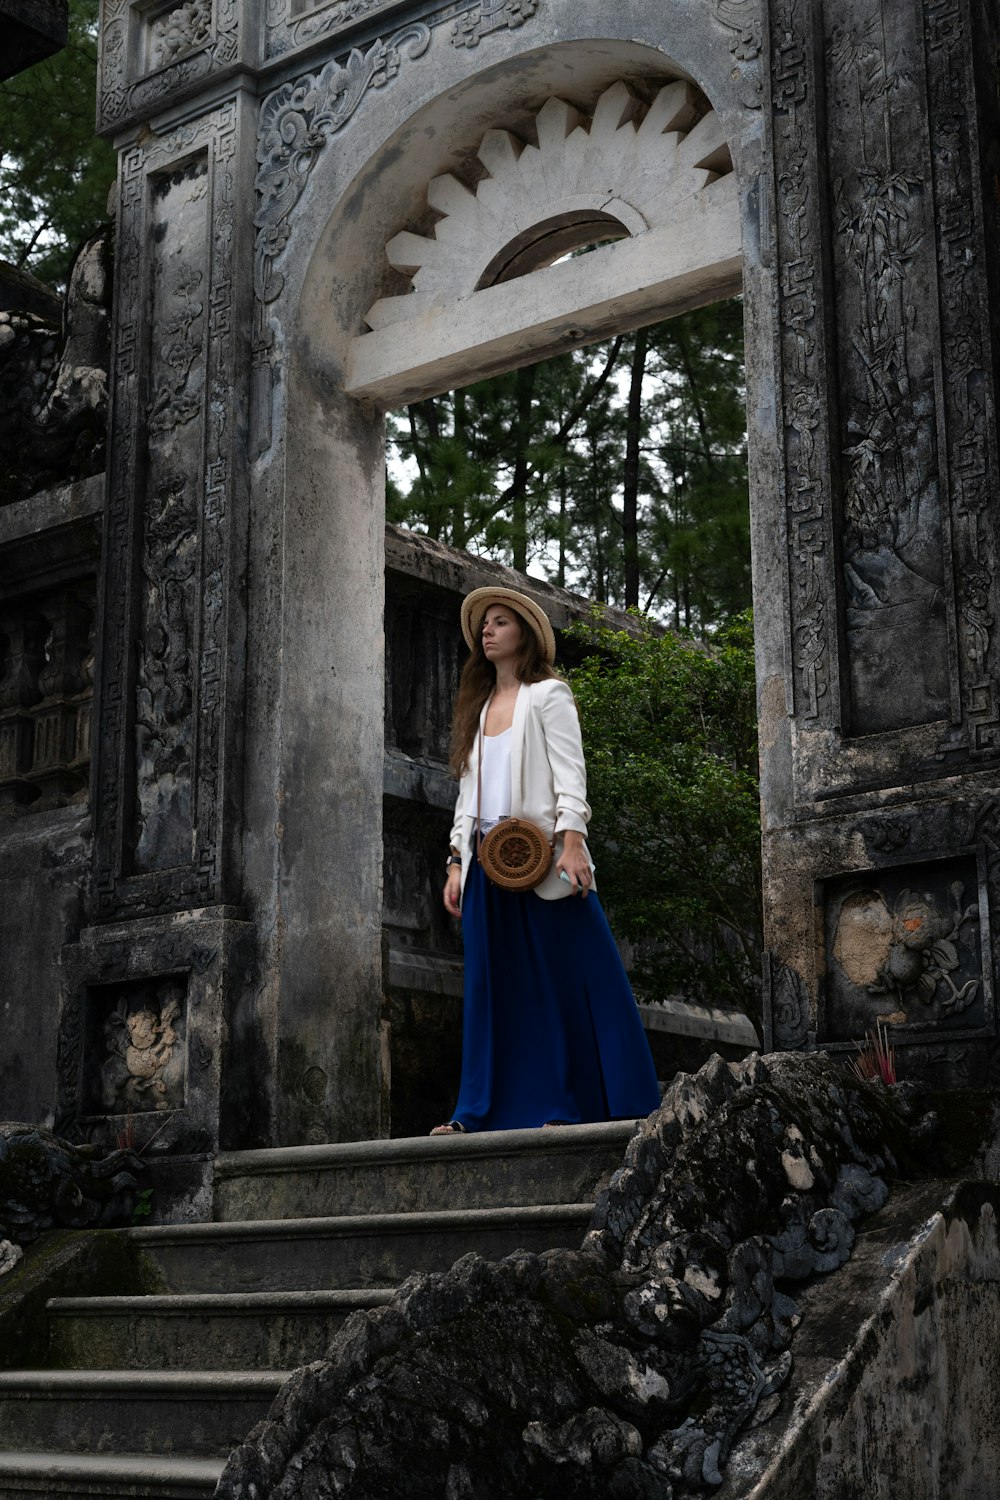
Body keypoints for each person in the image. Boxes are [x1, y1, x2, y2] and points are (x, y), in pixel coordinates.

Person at [432, 585, 661, 1135]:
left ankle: (581, 1104)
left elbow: (570, 773)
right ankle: (476, 1113)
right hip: (487, 866)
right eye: (484, 624)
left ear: (525, 636)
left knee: (577, 977)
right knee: (492, 991)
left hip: (548, 861)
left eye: (500, 622)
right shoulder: (479, 708)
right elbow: (468, 794)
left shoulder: (549, 694)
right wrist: (456, 861)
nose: (487, 631)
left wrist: (573, 840)